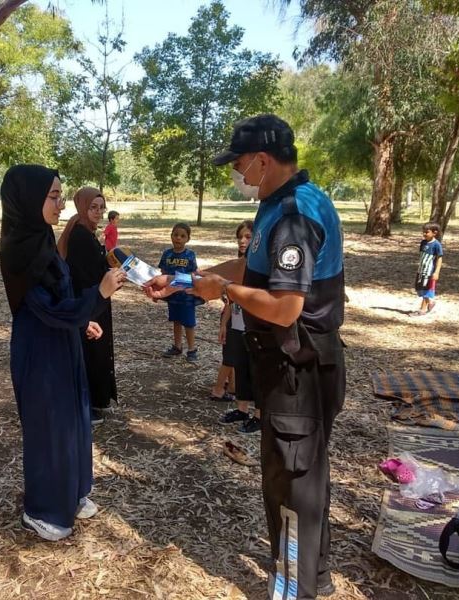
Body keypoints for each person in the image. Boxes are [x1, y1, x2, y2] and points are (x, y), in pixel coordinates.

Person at [146, 114, 345, 600]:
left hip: (296, 369)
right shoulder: (278, 204)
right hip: (293, 365)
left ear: (262, 159)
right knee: (302, 476)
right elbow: (254, 265)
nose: (236, 173)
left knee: (291, 487)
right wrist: (188, 281)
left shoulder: (295, 213)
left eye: (238, 163)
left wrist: (224, 291)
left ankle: (294, 589)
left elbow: (284, 306)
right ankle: (311, 575)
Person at [0, 164, 125, 542]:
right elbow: (47, 308)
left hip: (63, 342)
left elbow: (60, 298)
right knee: (50, 429)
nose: (59, 204)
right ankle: (43, 510)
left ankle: (72, 493)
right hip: (40, 353)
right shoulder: (22, 252)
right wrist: (99, 294)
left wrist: (82, 319)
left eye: (59, 195)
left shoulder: (44, 241)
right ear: (29, 200)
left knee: (74, 421)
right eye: (53, 197)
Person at [58, 187, 118, 426]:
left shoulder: (86, 231)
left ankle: (93, 401)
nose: (99, 212)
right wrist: (107, 275)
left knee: (94, 351)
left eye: (102, 208)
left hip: (95, 299)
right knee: (87, 353)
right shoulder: (80, 234)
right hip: (88, 303)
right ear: (82, 207)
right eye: (93, 207)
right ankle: (84, 403)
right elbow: (83, 273)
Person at [216, 220, 261, 435]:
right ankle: (241, 409)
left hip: (256, 327)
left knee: (257, 369)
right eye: (240, 237)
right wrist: (225, 324)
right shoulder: (237, 265)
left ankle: (259, 415)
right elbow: (229, 301)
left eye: (248, 237)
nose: (242, 241)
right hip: (237, 322)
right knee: (240, 366)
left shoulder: (260, 268)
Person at [159, 222, 199, 362]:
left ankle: (192, 349)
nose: (178, 238)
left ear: (188, 238)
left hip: (186, 295)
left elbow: (194, 274)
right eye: (175, 235)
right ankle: (177, 346)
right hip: (172, 295)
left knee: (188, 323)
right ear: (171, 236)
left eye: (182, 236)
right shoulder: (167, 254)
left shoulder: (190, 255)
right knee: (176, 320)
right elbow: (163, 273)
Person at [411, 222, 443, 317]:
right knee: (419, 289)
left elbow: (439, 259)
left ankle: (422, 310)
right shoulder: (423, 242)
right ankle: (430, 303)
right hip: (421, 270)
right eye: (423, 232)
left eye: (427, 232)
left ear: (434, 233)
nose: (424, 234)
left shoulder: (437, 245)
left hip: (429, 272)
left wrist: (436, 272)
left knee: (425, 289)